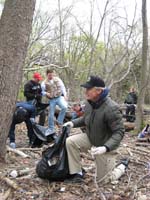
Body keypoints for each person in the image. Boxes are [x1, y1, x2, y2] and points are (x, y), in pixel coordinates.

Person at [63, 75, 125, 183]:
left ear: (98, 91)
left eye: (88, 89)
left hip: (105, 145)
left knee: (104, 181)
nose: (85, 92)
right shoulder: (89, 103)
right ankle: (77, 174)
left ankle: (122, 167)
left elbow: (119, 132)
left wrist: (105, 147)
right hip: (91, 138)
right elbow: (85, 118)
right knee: (70, 142)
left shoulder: (111, 108)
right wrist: (72, 123)